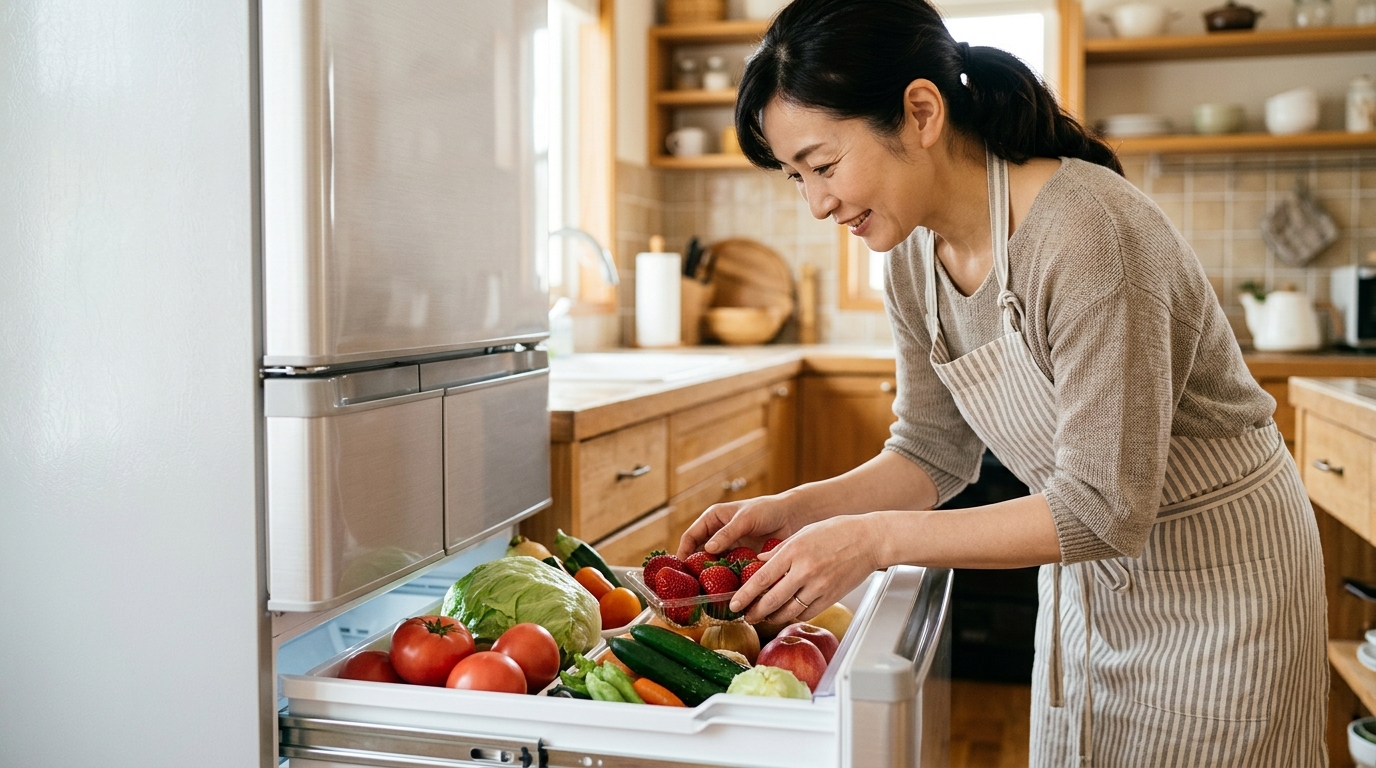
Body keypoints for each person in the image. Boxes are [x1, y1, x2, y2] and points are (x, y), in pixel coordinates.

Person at [675, 0, 1328, 764]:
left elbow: (1104, 507)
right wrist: (793, 511)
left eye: (824, 165)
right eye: (796, 177)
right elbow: (930, 453)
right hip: (1089, 583)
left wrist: (876, 540)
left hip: (1223, 586)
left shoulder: (1087, 235)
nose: (817, 202)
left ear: (920, 111)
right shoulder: (914, 264)